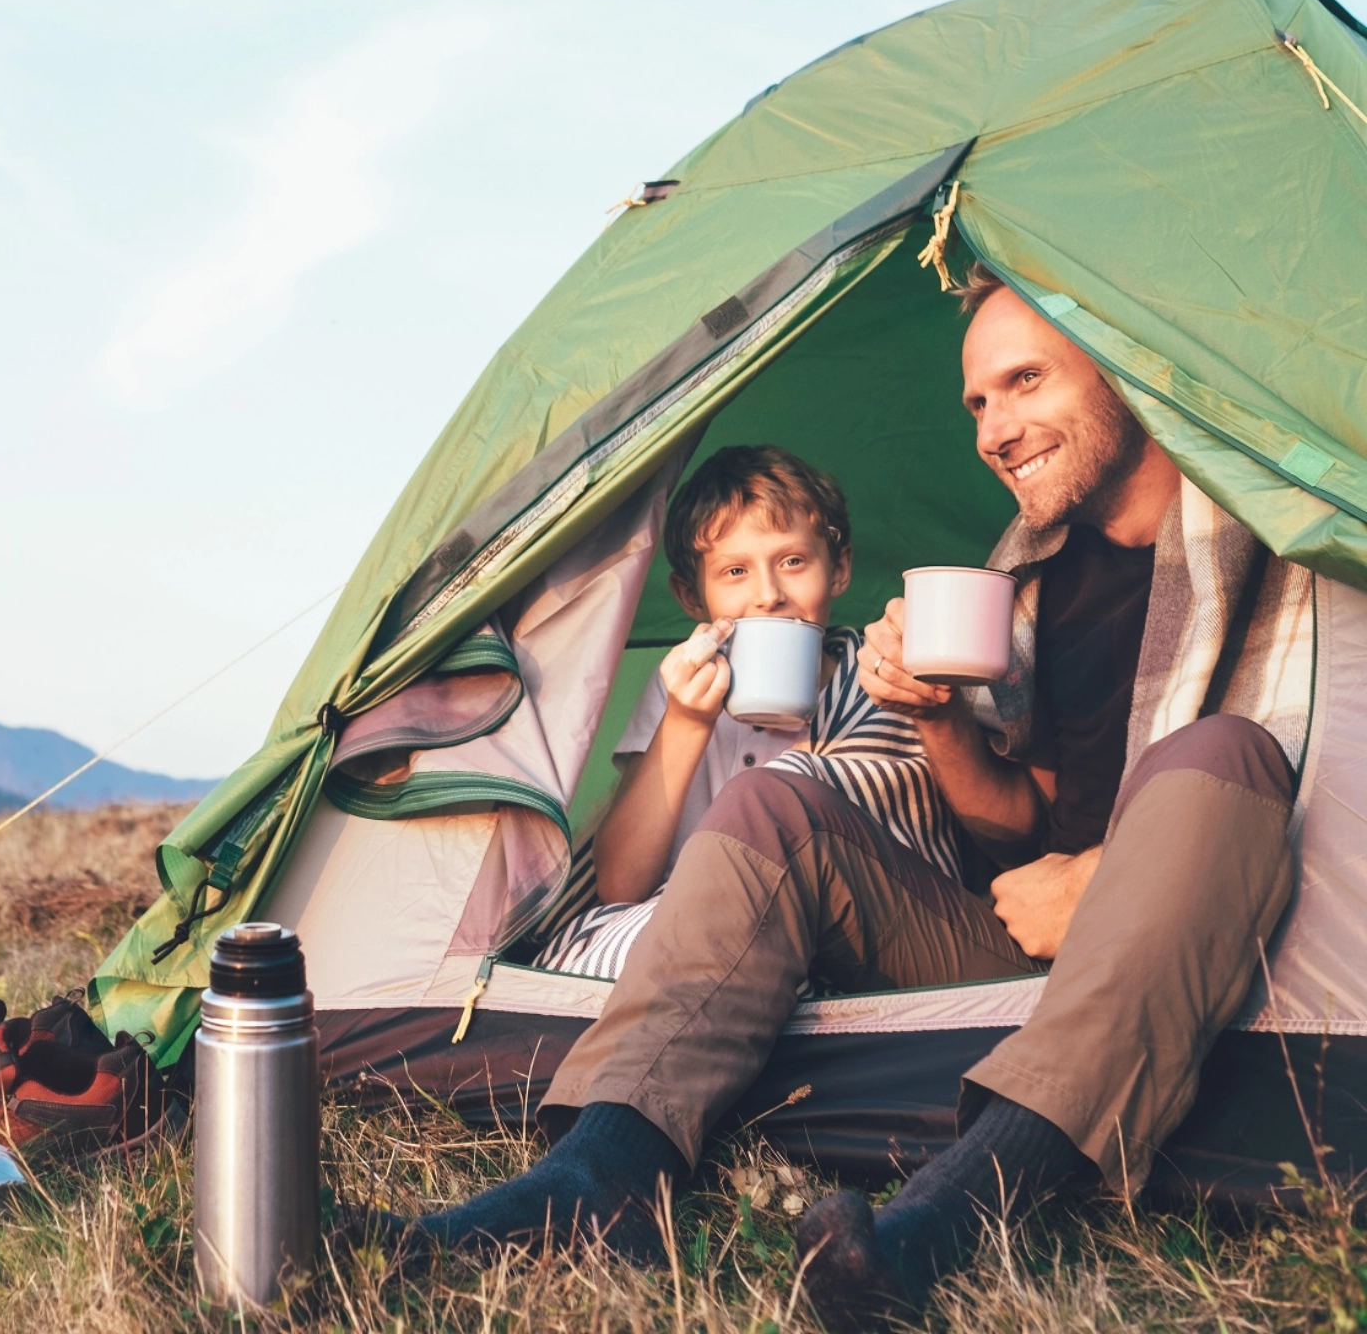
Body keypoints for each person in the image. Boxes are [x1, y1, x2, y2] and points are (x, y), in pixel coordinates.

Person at [369, 266, 1305, 1328]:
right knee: (772, 805)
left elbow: (1283, 777)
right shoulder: (1035, 578)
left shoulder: (1277, 525)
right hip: (996, 940)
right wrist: (939, 716)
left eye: (1025, 381)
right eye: (977, 404)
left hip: (1169, 926)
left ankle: (949, 1214)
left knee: (1224, 755)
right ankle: (601, 1173)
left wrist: (1099, 881)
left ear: (1122, 361)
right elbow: (1018, 818)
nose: (995, 428)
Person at [534, 444, 965, 980]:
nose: (768, 594)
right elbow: (620, 885)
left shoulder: (883, 675)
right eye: (735, 571)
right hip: (695, 919)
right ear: (692, 597)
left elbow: (913, 824)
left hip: (854, 923)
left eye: (792, 562)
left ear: (839, 569)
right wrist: (686, 723)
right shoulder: (682, 687)